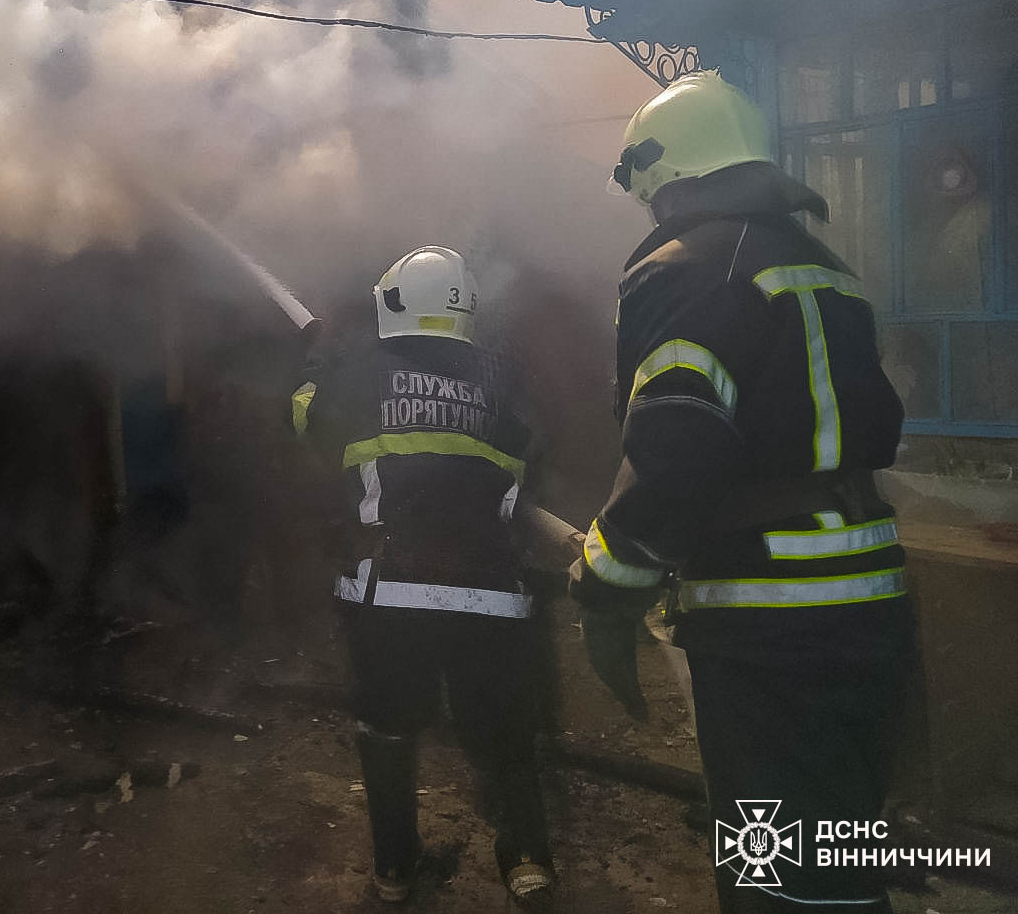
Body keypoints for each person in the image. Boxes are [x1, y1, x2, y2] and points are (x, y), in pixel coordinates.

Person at [569, 71, 917, 913]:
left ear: (665, 173)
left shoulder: (682, 270)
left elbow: (677, 457)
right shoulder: (822, 265)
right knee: (840, 848)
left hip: (772, 622)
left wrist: (604, 583)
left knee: (776, 875)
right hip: (868, 597)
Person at [293, 246, 556, 911]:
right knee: (502, 731)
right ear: (466, 308)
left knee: (388, 725)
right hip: (491, 592)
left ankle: (393, 870)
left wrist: (322, 361)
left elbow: (307, 425)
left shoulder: (353, 374)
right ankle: (526, 863)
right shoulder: (504, 379)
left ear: (391, 303)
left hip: (388, 591)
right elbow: (533, 458)